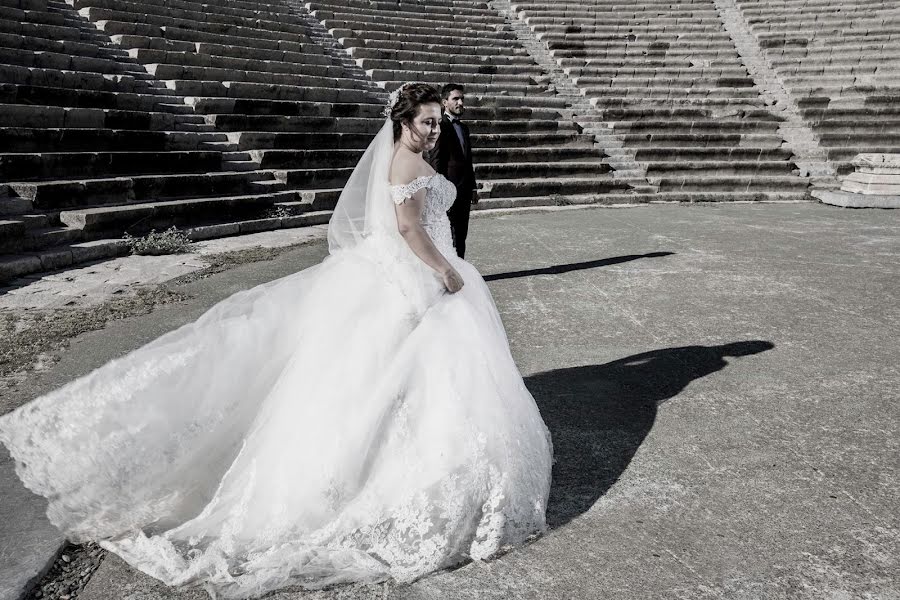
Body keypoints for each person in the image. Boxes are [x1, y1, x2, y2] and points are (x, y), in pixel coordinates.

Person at [0, 83, 552, 600]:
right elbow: (409, 229)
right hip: (416, 273)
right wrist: (448, 273)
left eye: (437, 122)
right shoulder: (408, 162)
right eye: (426, 122)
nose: (434, 131)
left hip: (398, 270)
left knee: (384, 380)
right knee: (403, 378)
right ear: (403, 122)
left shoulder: (407, 155)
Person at [427, 83, 477, 259]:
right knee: (448, 234)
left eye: (462, 98)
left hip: (464, 189)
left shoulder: (464, 128)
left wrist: (473, 188)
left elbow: (468, 160)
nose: (460, 102)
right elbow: (436, 160)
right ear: (444, 102)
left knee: (461, 234)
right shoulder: (440, 125)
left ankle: (461, 269)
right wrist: (439, 188)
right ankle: (449, 270)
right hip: (447, 189)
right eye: (455, 98)